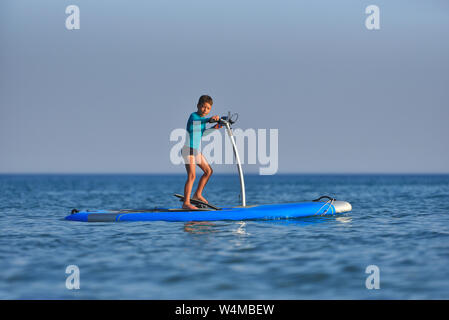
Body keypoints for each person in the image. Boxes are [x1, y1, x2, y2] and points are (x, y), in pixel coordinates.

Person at [181, 95, 221, 210]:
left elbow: (203, 134)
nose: (205, 110)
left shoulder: (203, 121)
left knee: (208, 171)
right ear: (198, 106)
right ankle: (186, 203)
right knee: (192, 175)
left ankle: (197, 194)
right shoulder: (193, 117)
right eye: (203, 107)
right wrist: (209, 119)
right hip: (188, 149)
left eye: (208, 108)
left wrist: (217, 126)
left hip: (196, 151)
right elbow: (198, 121)